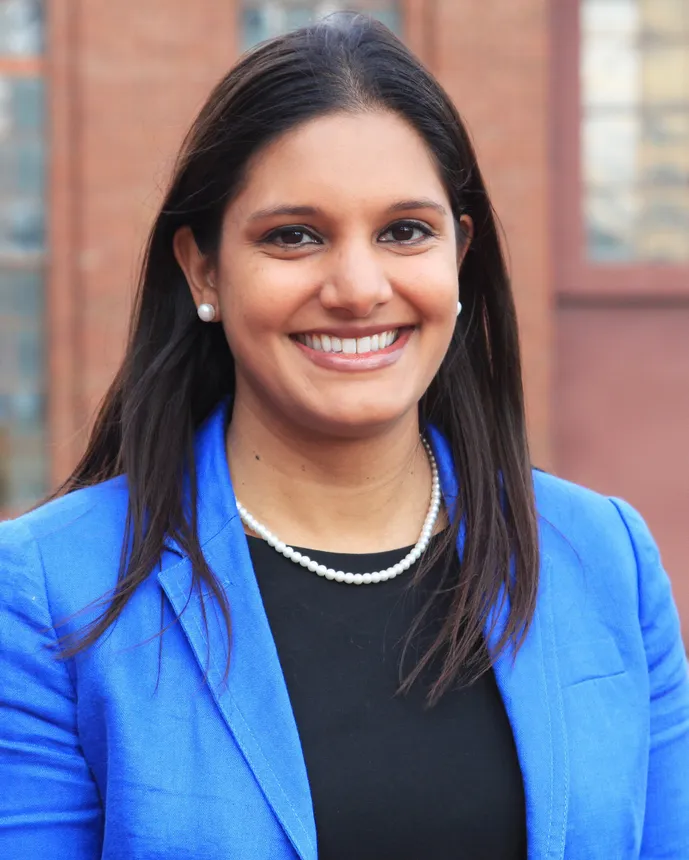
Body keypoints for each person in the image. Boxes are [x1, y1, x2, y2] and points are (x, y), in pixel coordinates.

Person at [1, 13, 687, 860]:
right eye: (294, 236)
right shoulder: (48, 592)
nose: (358, 288)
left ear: (460, 257)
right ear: (203, 268)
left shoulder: (603, 561)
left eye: (405, 232)